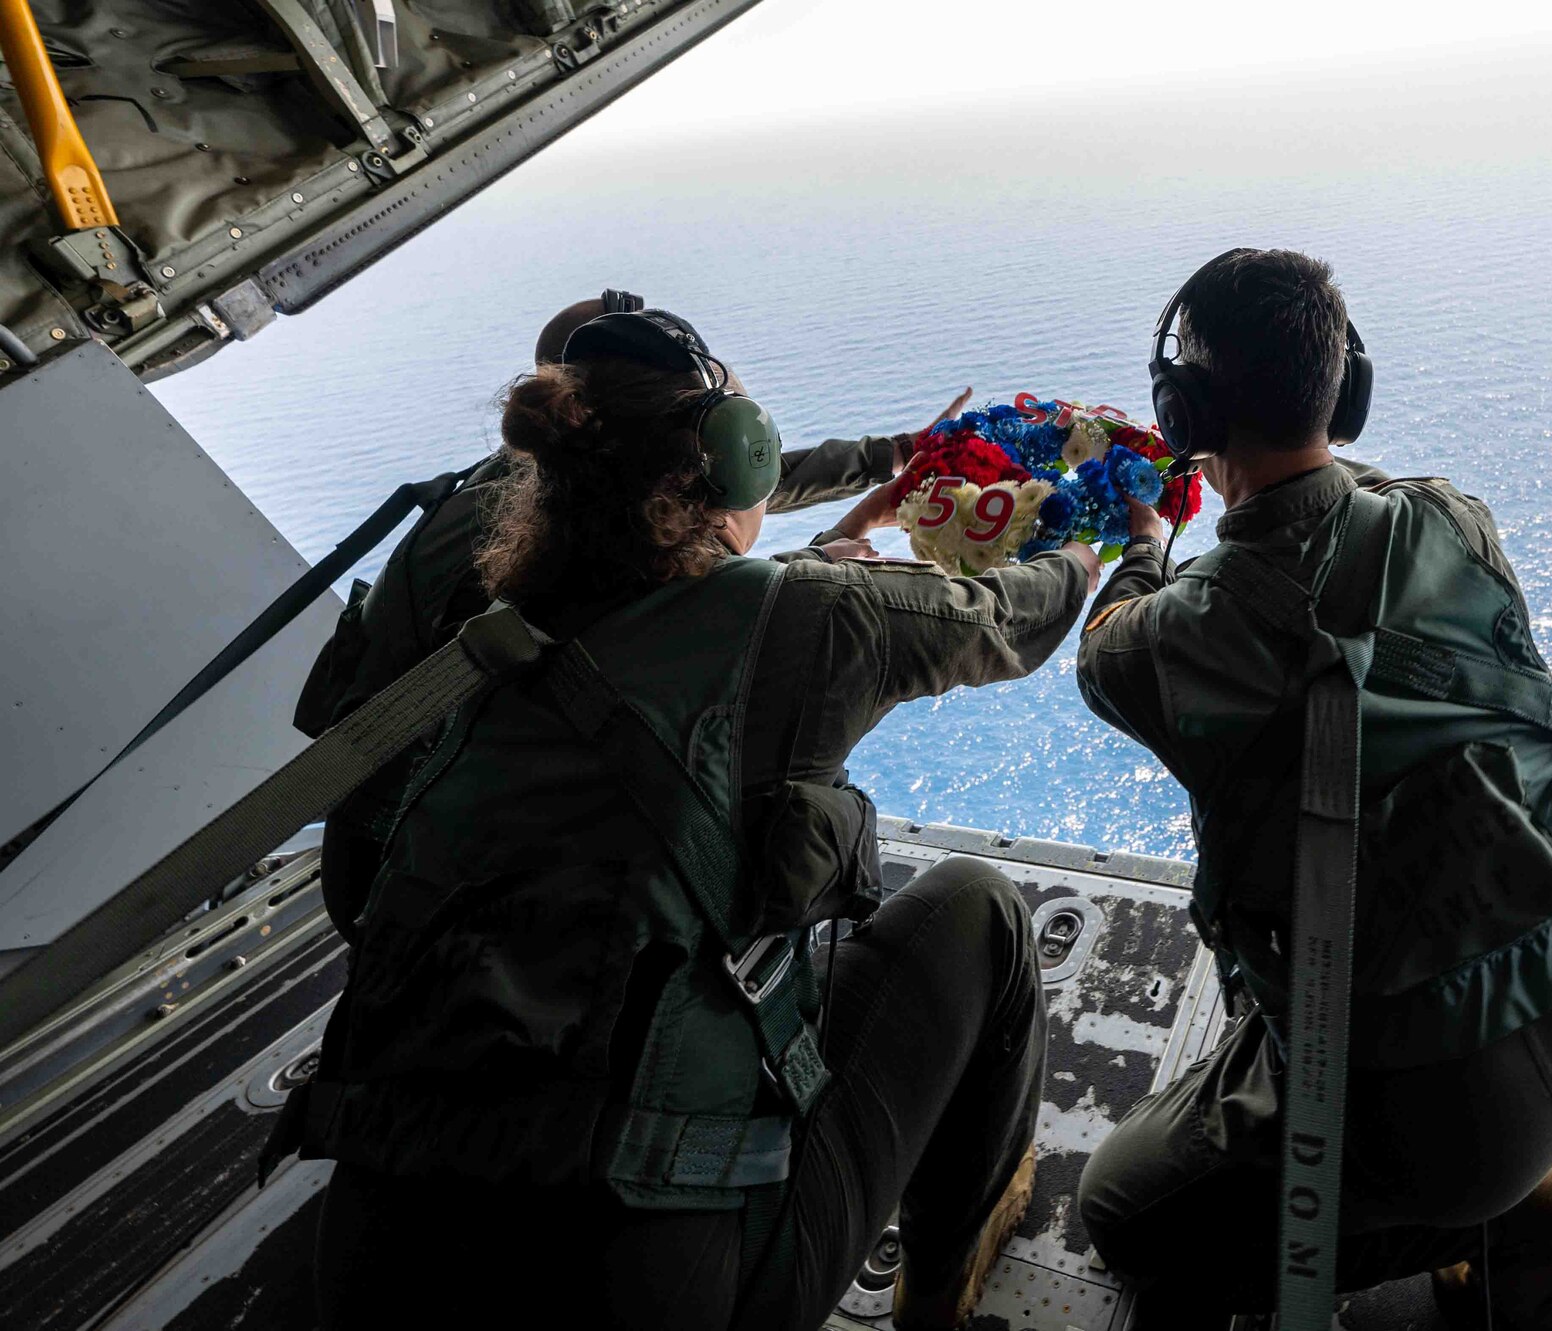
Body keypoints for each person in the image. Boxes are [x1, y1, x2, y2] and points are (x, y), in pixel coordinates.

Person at [278, 307, 1102, 1330]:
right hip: (667, 1286)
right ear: (724, 470)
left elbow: (709, 621)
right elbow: (1012, 619)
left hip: (375, 1270)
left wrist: (837, 552)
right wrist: (1103, 541)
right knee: (979, 909)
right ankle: (938, 1287)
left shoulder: (489, 637)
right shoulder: (809, 614)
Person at [1072, 248, 1552, 1330]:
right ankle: (1516, 1189)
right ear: (1345, 393)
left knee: (1120, 1211)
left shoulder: (1173, 640)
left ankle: (1496, 1215)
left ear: (1185, 409)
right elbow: (1353, 519)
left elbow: (1104, 644)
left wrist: (1149, 538)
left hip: (1439, 1114)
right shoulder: (1455, 519)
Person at [292, 290, 969, 922]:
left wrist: (890, 457)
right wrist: (822, 562)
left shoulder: (535, 485)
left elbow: (716, 491)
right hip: (442, 879)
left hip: (389, 854)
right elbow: (645, 637)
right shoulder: (538, 528)